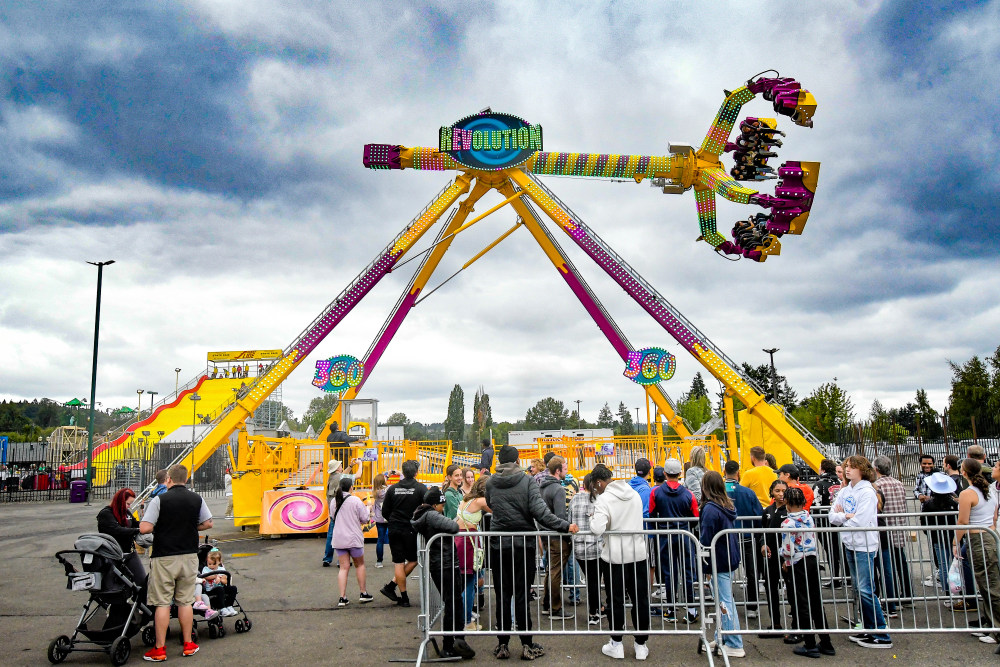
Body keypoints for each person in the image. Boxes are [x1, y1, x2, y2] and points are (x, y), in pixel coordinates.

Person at [484, 445, 577, 661]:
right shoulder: (526, 481)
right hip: (523, 543)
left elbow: (491, 504)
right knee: (522, 594)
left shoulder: (491, 482)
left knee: (502, 594)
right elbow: (540, 512)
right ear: (517, 461)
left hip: (499, 543)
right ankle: (526, 643)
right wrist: (564, 525)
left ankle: (502, 643)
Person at [138, 464, 213, 661]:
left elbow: (145, 528)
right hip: (188, 555)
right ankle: (188, 644)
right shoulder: (196, 498)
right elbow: (208, 523)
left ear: (168, 479)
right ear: (186, 479)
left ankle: (160, 649)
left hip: (164, 556)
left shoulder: (159, 500)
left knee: (162, 602)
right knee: (185, 600)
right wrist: (190, 526)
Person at [829, 455, 892, 649]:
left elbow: (861, 521)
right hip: (850, 543)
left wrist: (844, 518)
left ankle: (881, 632)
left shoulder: (867, 492)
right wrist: (845, 516)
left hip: (864, 545)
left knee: (866, 589)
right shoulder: (846, 490)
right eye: (847, 466)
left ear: (862, 470)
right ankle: (869, 627)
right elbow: (832, 516)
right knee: (858, 589)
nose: (848, 470)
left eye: (852, 467)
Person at [589, 463, 650, 661]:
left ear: (599, 483)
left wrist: (592, 518)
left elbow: (597, 528)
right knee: (640, 599)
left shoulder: (604, 499)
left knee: (615, 600)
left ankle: (616, 643)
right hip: (638, 554)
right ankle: (641, 644)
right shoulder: (633, 494)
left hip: (615, 556)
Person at [412, 487, 476, 660]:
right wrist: (452, 520)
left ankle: (457, 640)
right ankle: (449, 645)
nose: (443, 507)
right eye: (441, 504)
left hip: (443, 563)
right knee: (452, 603)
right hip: (444, 564)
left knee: (453, 603)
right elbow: (453, 527)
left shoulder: (427, 514)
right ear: (434, 504)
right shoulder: (432, 515)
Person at [779, 487, 835, 657]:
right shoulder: (808, 518)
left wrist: (785, 560)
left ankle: (809, 643)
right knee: (816, 601)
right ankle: (826, 642)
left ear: (787, 502)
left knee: (802, 602)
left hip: (797, 561)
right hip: (811, 558)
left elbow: (787, 548)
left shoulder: (787, 523)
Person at [955, 457, 1000, 651]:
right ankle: (991, 624)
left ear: (964, 473)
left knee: (990, 585)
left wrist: (955, 543)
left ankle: (997, 628)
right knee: (987, 584)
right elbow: (995, 515)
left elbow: (963, 522)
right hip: (990, 536)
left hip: (979, 539)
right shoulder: (990, 489)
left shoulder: (968, 493)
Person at [648, 458, 699, 623]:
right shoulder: (688, 494)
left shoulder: (655, 493)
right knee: (688, 571)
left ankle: (670, 609)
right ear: (680, 474)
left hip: (665, 535)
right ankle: (691, 610)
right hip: (685, 535)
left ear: (664, 474)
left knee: (669, 572)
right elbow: (695, 517)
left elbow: (651, 513)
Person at [700, 471, 744, 658]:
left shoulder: (710, 509)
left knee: (724, 602)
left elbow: (706, 538)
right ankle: (722, 637)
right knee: (724, 601)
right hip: (727, 557)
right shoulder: (725, 505)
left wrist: (705, 566)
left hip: (718, 560)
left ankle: (734, 642)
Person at [380, 460, 427, 608]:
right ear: (415, 473)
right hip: (410, 529)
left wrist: (394, 521)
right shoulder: (420, 488)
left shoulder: (393, 489)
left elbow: (385, 511)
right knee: (412, 560)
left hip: (394, 528)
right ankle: (392, 587)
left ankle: (402, 596)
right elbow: (426, 508)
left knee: (398, 562)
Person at [724, 460, 763, 620]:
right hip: (747, 535)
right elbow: (758, 513)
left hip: (727, 537)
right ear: (738, 472)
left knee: (726, 572)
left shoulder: (721, 492)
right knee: (751, 572)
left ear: (724, 472)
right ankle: (752, 606)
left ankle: (728, 602)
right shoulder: (748, 493)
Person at [872, 456, 913, 603]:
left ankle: (892, 597)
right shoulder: (899, 484)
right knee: (901, 563)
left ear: (876, 469)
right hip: (899, 527)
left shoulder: (877, 486)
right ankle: (907, 593)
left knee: (887, 567)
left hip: (885, 529)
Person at [539, 456, 573, 619]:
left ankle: (547, 604)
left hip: (546, 534)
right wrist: (568, 529)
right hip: (556, 536)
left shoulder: (542, 487)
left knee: (551, 570)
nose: (567, 471)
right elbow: (560, 516)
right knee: (555, 572)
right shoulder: (558, 489)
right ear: (558, 470)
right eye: (565, 468)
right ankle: (555, 607)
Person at [331, 477, 374, 607]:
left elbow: (332, 517)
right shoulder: (355, 500)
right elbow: (365, 518)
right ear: (351, 487)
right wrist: (368, 508)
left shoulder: (334, 501)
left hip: (339, 538)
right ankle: (363, 593)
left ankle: (342, 597)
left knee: (344, 568)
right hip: (354, 538)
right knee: (359, 565)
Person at [569, 473, 605, 626]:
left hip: (578, 546)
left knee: (591, 579)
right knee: (594, 580)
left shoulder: (575, 499)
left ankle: (599, 607)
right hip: (596, 546)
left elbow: (569, 518)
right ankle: (594, 612)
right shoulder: (599, 500)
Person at [456, 476, 490, 630]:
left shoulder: (466, 500)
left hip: (462, 540)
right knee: (469, 583)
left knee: (465, 582)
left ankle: (464, 617)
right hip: (468, 542)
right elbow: (498, 509)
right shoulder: (480, 501)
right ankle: (467, 620)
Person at [759, 479, 789, 639]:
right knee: (771, 589)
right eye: (777, 490)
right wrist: (763, 544)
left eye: (783, 490)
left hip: (786, 556)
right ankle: (775, 623)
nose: (781, 494)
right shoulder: (768, 510)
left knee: (791, 590)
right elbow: (763, 531)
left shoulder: (789, 511)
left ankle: (797, 625)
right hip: (771, 557)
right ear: (772, 492)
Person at [97, 487, 146, 584]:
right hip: (112, 554)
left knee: (142, 581)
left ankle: (141, 598)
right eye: (128, 504)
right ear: (120, 501)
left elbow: (136, 523)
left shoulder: (126, 512)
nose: (129, 507)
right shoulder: (106, 514)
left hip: (129, 553)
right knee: (115, 585)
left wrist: (149, 526)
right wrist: (138, 530)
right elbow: (117, 530)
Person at [919, 472, 957, 593]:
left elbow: (924, 521)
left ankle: (947, 592)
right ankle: (957, 589)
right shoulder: (953, 503)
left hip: (937, 537)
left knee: (943, 565)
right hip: (953, 536)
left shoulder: (928, 504)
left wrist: (929, 533)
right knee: (955, 564)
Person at [813, 458, 845, 588]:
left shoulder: (819, 484)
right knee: (841, 549)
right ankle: (846, 577)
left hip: (824, 522)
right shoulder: (840, 482)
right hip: (840, 521)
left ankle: (835, 578)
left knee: (830, 551)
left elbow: (816, 504)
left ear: (823, 469)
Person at [322, 458, 359, 567]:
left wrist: (350, 466)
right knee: (343, 536)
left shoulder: (332, 477)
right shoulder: (339, 477)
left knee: (331, 535)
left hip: (333, 511)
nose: (341, 465)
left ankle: (327, 559)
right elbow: (357, 476)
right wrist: (360, 464)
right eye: (340, 465)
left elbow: (343, 475)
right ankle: (341, 561)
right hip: (341, 511)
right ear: (337, 468)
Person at [200, 547, 236, 617]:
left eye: (213, 564)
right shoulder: (206, 569)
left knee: (233, 588)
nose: (211, 566)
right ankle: (222, 608)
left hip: (221, 587)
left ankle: (229, 606)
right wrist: (215, 576)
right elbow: (206, 577)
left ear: (219, 562)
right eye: (209, 564)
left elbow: (225, 580)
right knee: (220, 589)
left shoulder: (221, 569)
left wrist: (222, 579)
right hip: (210, 589)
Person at [371, 473, 389, 568]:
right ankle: (399, 558)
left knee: (380, 540)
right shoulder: (387, 491)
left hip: (379, 518)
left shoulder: (375, 492)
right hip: (389, 517)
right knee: (395, 539)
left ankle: (379, 561)